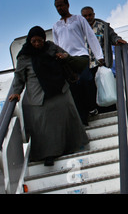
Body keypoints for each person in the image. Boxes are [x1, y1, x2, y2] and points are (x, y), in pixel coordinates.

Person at [9, 26, 89, 166]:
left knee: (66, 119)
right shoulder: (24, 56)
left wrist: (63, 56)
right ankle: (48, 155)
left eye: (40, 41)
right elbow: (19, 77)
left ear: (44, 40)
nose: (37, 44)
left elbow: (65, 55)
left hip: (59, 89)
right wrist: (16, 92)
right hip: (39, 96)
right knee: (44, 128)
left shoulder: (51, 47)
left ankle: (72, 146)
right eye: (34, 41)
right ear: (29, 41)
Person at [53, 0, 105, 125]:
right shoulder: (56, 26)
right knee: (74, 88)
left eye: (61, 5)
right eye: (57, 6)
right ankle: (83, 119)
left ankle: (92, 107)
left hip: (81, 56)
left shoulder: (78, 19)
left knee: (87, 80)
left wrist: (99, 56)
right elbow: (56, 45)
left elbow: (91, 36)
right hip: (66, 60)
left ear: (67, 5)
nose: (59, 8)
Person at [81, 6, 127, 114]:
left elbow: (112, 36)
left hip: (102, 63)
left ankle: (110, 111)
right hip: (87, 64)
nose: (88, 17)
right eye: (85, 16)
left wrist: (117, 40)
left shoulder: (103, 26)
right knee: (91, 88)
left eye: (90, 15)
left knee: (105, 86)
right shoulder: (79, 28)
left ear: (94, 14)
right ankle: (96, 110)